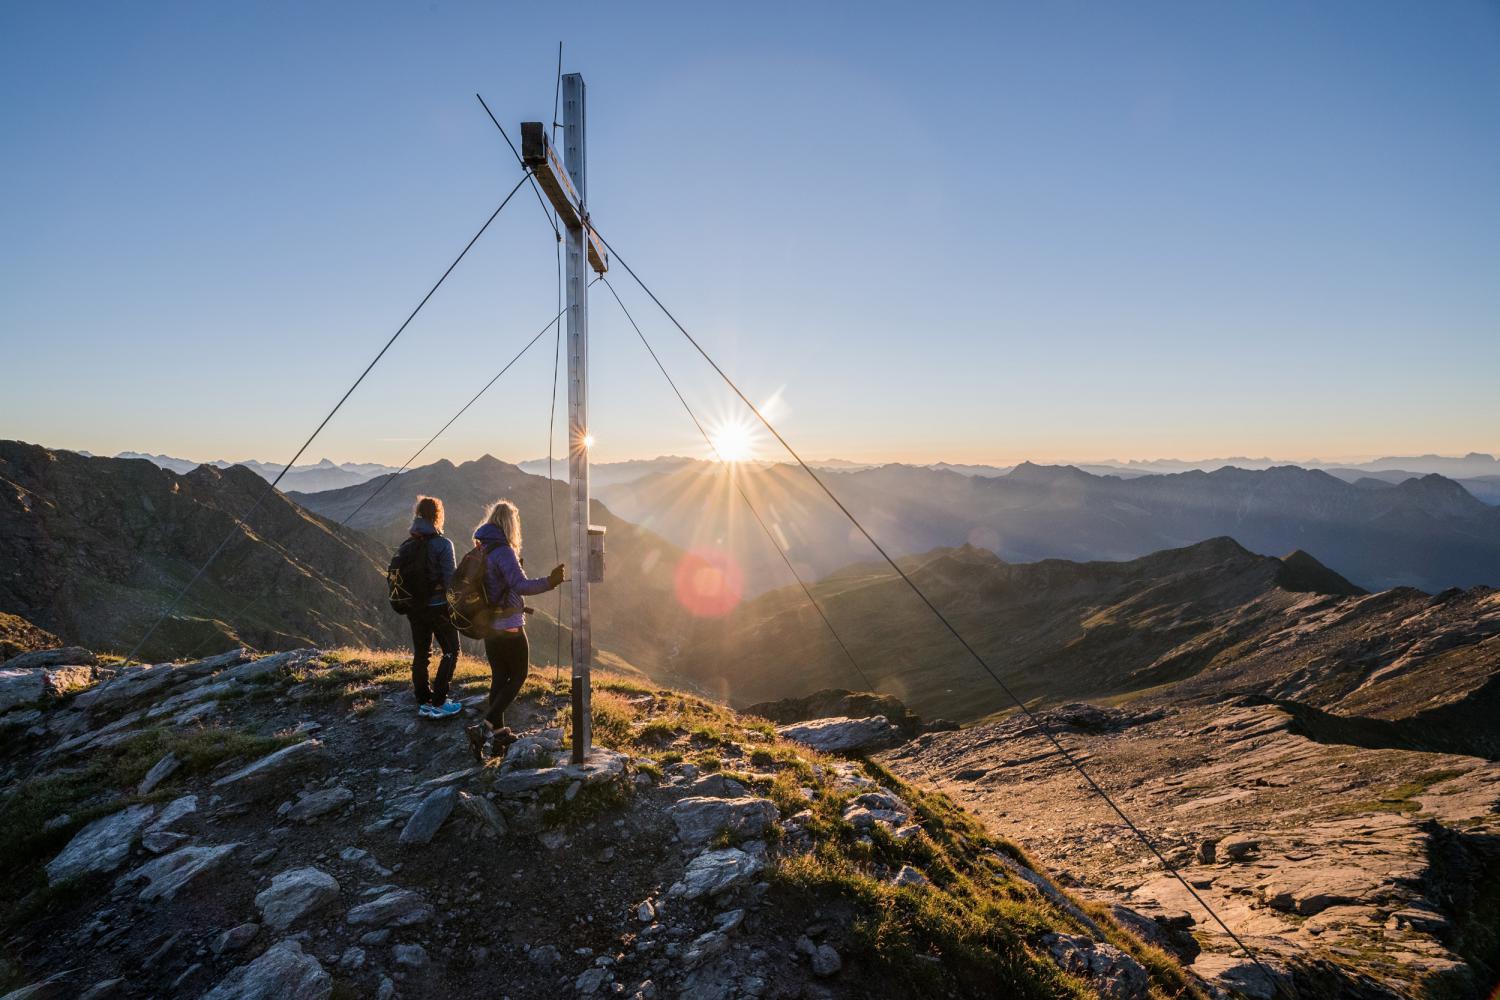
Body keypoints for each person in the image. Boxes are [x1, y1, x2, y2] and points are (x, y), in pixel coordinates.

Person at [465, 499, 564, 760]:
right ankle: (484, 727)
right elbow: (521, 585)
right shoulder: (503, 551)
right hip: (508, 626)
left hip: (489, 628)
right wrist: (551, 582)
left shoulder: (480, 548)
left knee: (500, 677)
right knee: (519, 675)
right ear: (510, 524)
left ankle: (498, 735)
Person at [406, 496, 462, 719]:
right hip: (438, 607)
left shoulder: (409, 544)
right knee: (451, 650)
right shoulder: (443, 544)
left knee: (422, 654)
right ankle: (439, 702)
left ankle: (424, 702)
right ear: (437, 515)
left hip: (414, 608)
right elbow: (451, 582)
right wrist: (458, 606)